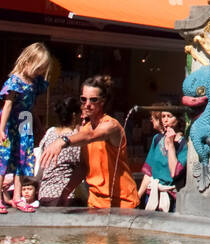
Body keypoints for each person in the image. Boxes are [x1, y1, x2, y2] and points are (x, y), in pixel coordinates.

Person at [39, 76, 138, 209]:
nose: (87, 104)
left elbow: (91, 135)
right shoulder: (85, 129)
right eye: (83, 99)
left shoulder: (111, 126)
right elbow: (83, 167)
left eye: (93, 100)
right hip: (95, 201)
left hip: (122, 202)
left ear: (103, 101)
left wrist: (62, 141)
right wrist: (65, 193)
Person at [0, 44, 52, 214]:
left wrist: (37, 124)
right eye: (38, 68)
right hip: (11, 122)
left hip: (25, 121)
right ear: (28, 61)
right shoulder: (15, 80)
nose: (39, 72)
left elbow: (32, 106)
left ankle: (17, 196)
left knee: (23, 158)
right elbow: (7, 106)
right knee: (3, 158)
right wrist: (1, 129)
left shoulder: (35, 82)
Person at [36, 97, 86, 206]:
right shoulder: (75, 138)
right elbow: (83, 166)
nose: (82, 116)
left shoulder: (50, 133)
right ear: (74, 115)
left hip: (44, 194)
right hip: (67, 196)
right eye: (80, 113)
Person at [139, 108, 187, 212]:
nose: (165, 120)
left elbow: (174, 171)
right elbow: (148, 172)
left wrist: (171, 145)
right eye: (163, 116)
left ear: (178, 119)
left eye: (169, 116)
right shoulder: (157, 139)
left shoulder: (185, 145)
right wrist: (137, 197)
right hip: (152, 194)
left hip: (172, 198)